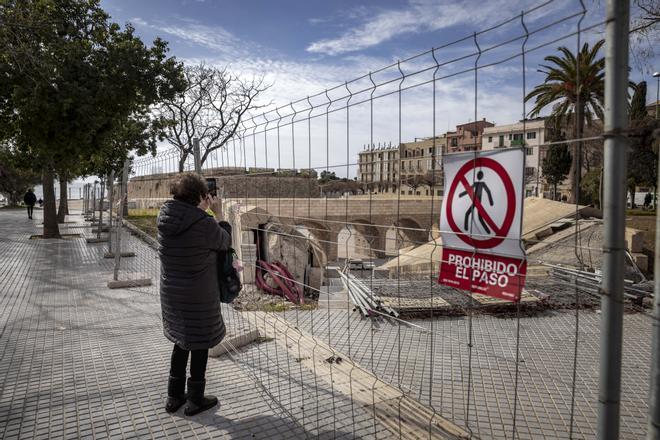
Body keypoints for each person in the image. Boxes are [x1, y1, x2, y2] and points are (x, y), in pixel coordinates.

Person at [157, 173, 232, 416]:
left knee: (181, 341)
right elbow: (224, 241)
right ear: (200, 196)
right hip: (198, 295)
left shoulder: (165, 218)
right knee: (199, 343)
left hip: (172, 294)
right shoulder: (204, 223)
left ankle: (174, 396)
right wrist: (218, 215)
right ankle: (195, 400)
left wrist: (202, 209)